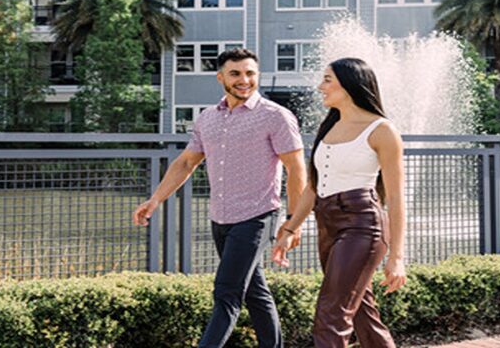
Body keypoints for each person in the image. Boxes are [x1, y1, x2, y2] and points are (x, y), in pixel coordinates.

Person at [133, 47, 307, 348]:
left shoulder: (276, 116)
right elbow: (187, 162)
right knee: (255, 291)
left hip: (257, 217)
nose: (244, 80)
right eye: (235, 73)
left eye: (250, 73)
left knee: (226, 292)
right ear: (220, 77)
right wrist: (155, 199)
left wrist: (294, 220)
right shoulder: (207, 118)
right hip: (220, 218)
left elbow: (295, 168)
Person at [271, 57, 406, 348]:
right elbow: (313, 187)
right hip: (328, 223)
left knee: (331, 312)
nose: (320, 86)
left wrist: (396, 257)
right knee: (361, 313)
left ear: (350, 84)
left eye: (328, 79)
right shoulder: (329, 127)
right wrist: (290, 228)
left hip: (362, 225)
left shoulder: (382, 130)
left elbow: (394, 198)